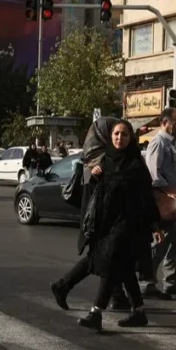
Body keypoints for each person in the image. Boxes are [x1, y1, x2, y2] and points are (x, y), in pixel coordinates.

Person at [75, 120, 160, 331]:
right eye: (116, 134)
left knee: (110, 264)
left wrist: (155, 224)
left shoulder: (136, 164)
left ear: (130, 138)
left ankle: (96, 312)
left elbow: (147, 197)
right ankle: (139, 312)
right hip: (109, 223)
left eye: (124, 134)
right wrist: (96, 176)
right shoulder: (107, 160)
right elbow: (102, 191)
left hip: (130, 224)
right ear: (110, 137)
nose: (119, 138)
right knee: (124, 269)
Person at [50, 118, 133, 312]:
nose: (117, 136)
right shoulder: (99, 160)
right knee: (100, 258)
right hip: (102, 219)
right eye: (114, 132)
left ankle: (116, 296)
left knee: (110, 258)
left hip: (105, 218)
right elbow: (97, 191)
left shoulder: (95, 157)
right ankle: (67, 288)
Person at [143, 108, 176, 298]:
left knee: (175, 242)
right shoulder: (158, 143)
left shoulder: (171, 143)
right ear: (165, 123)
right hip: (165, 201)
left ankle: (171, 280)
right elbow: (153, 174)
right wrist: (168, 190)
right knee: (160, 243)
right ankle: (146, 282)